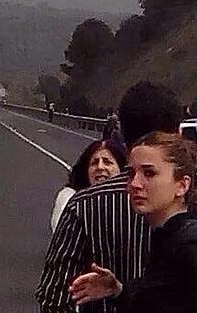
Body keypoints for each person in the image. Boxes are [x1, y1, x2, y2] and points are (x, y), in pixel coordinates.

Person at [36, 82, 184, 313]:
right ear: (178, 135)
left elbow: (54, 297)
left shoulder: (83, 206)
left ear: (122, 137)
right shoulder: (185, 201)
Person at [69, 132, 197, 312]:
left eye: (149, 173)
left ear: (182, 185)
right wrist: (119, 291)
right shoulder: (166, 239)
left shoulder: (188, 246)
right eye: (131, 173)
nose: (135, 184)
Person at [51, 139, 127, 232]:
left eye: (107, 162)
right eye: (94, 163)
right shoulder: (71, 200)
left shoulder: (133, 201)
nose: (100, 167)